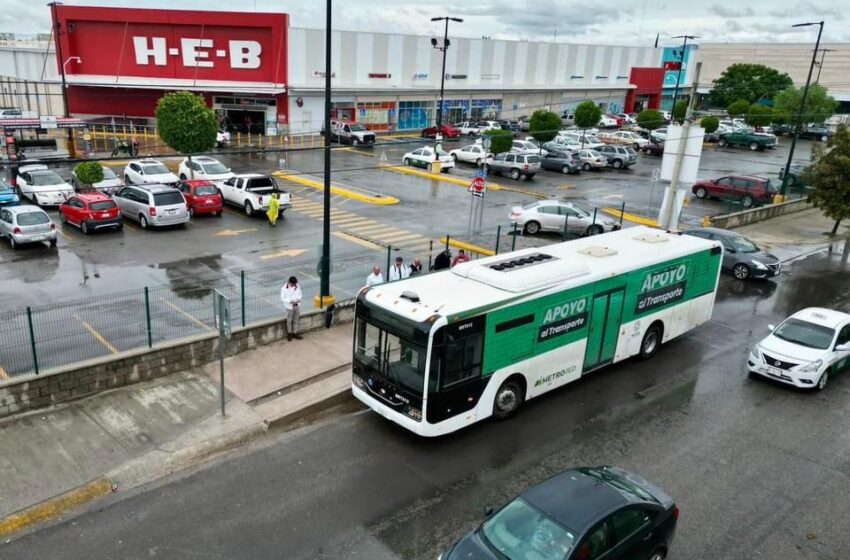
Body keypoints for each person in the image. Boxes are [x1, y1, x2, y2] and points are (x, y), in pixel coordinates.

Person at [280, 276, 302, 341]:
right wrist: (290, 301)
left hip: (297, 305)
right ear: (289, 282)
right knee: (289, 321)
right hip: (289, 307)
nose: (294, 286)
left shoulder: (297, 286)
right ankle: (289, 334)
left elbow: (300, 294)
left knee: (296, 320)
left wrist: (298, 299)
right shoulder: (284, 288)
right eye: (293, 284)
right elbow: (282, 298)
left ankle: (295, 333)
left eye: (295, 284)